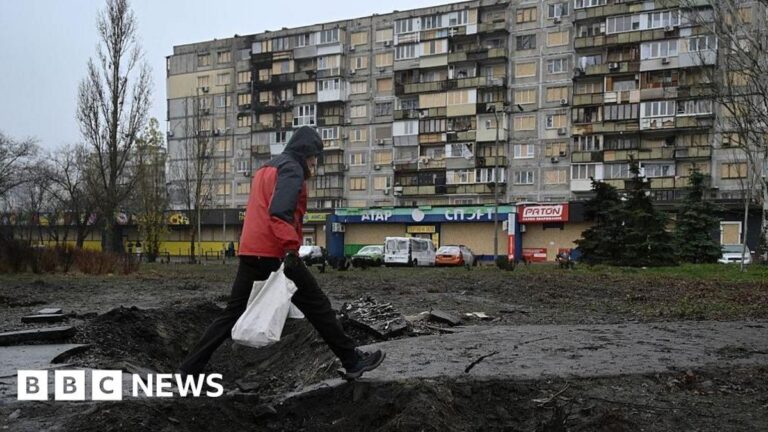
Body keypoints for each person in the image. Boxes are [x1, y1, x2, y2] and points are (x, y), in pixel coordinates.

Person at [178, 126, 384, 379]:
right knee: (318, 306)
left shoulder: (266, 169)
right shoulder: (292, 169)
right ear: (305, 153)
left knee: (231, 313)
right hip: (275, 253)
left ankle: (187, 370)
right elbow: (279, 211)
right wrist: (291, 250)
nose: (315, 163)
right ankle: (352, 361)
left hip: (252, 250)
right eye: (314, 157)